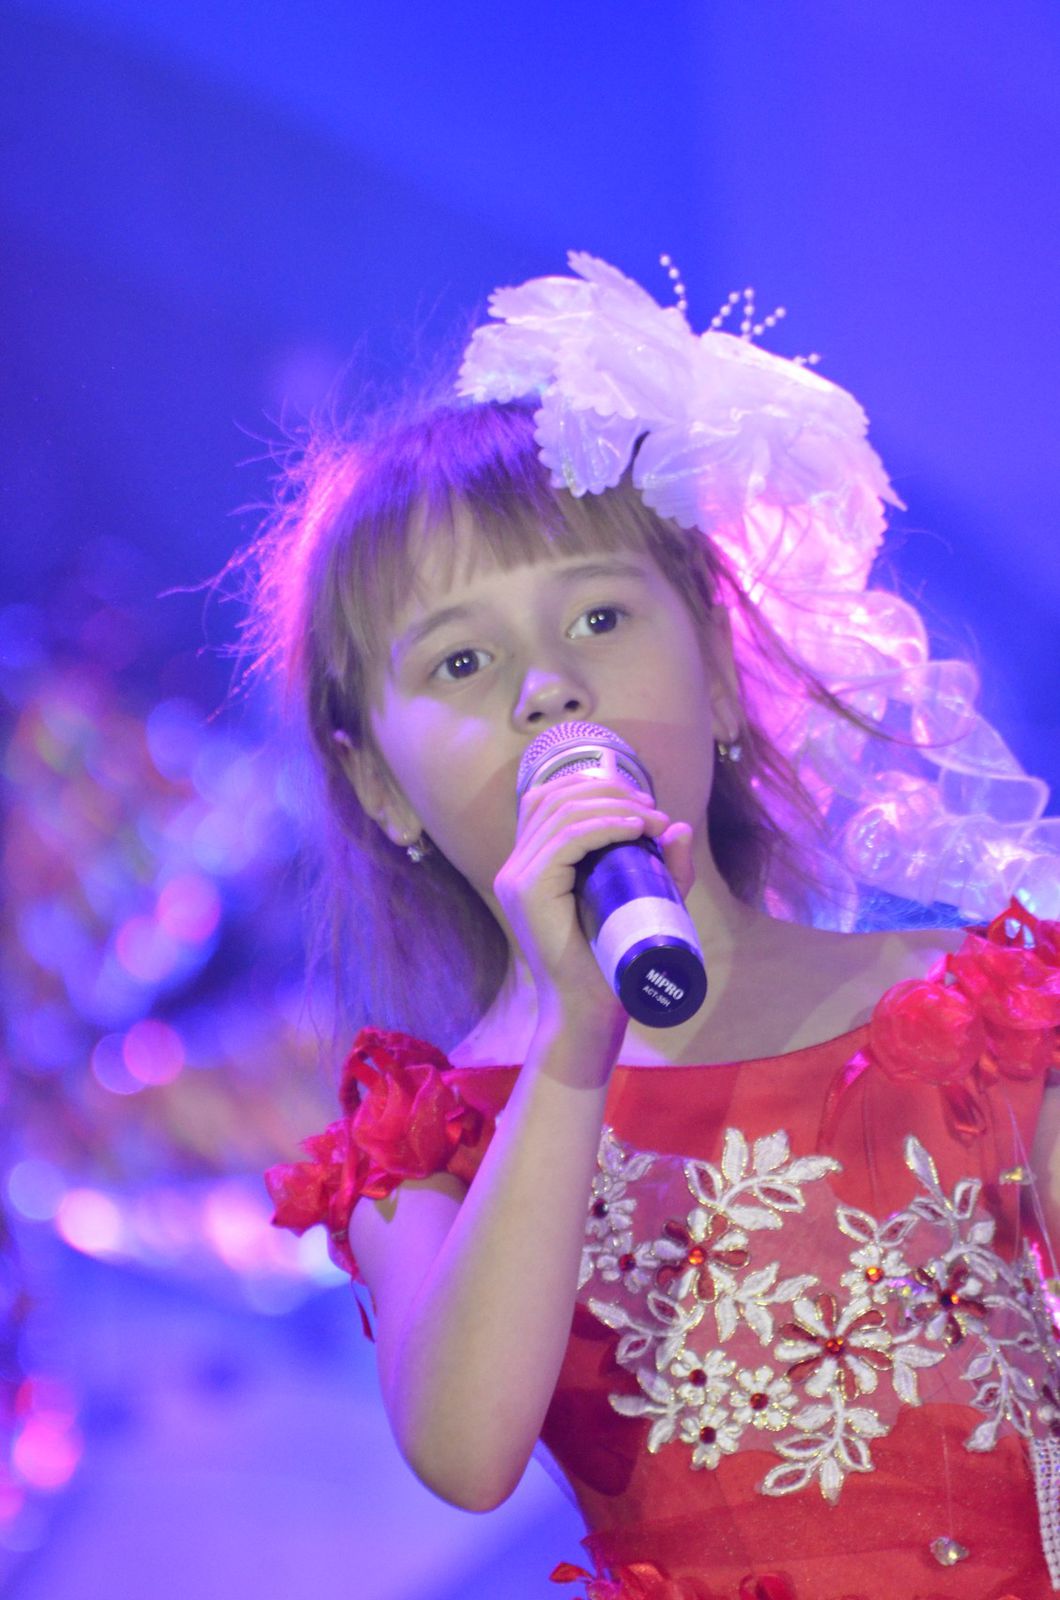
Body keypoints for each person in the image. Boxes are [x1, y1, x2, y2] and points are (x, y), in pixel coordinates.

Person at [254, 254, 1060, 1599]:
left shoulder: (971, 1010)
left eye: (599, 615)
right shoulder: (429, 1148)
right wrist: (576, 1036)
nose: (547, 688)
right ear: (380, 783)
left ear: (722, 673)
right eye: (464, 660)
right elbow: (462, 1450)